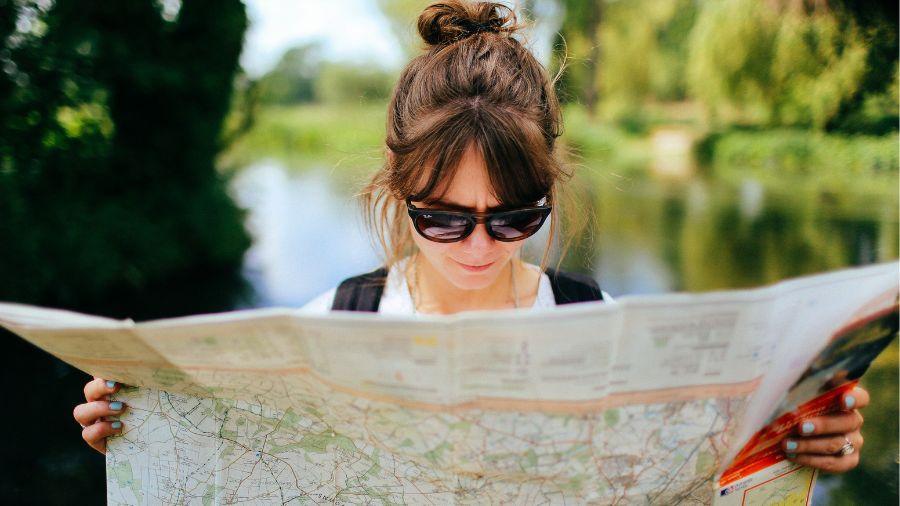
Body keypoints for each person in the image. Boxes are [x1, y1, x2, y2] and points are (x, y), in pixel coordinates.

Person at [73, 0, 868, 476]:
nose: (482, 248)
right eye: (444, 218)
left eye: (517, 215)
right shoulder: (330, 324)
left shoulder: (604, 323)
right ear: (397, 189)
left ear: (551, 189)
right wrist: (146, 439)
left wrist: (797, 443)